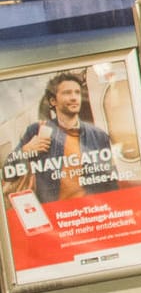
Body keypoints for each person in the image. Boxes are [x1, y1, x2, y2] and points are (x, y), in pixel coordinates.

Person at [4, 72, 120, 204]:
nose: (74, 97)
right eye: (67, 93)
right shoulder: (36, 131)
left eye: (77, 92)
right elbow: (9, 173)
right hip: (57, 216)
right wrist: (26, 150)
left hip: (92, 213)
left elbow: (111, 181)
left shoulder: (99, 135)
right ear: (53, 101)